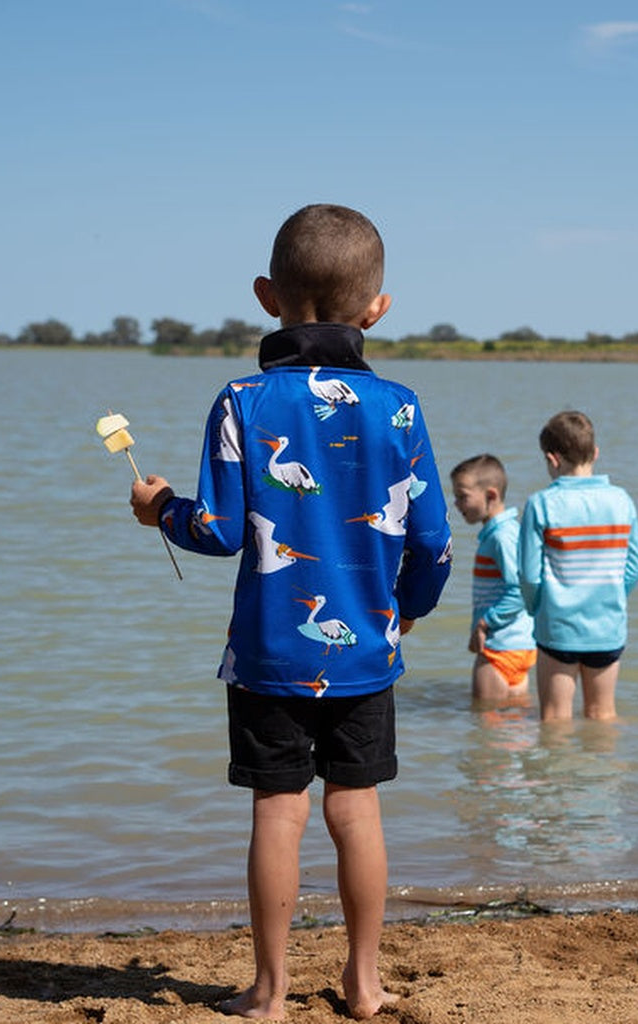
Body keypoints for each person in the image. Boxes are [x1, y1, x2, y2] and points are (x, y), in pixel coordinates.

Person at [130, 204, 452, 1020]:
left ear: (268, 296)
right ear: (377, 310)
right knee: (356, 806)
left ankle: (270, 991)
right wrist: (406, 609)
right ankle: (365, 982)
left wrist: (161, 506)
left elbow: (220, 530)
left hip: (269, 655)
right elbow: (434, 540)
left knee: (279, 810)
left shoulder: (242, 401)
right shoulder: (401, 408)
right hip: (365, 656)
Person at [518, 411, 638, 722]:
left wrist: (537, 609)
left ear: (552, 459)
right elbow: (635, 567)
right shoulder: (621, 500)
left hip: (558, 627)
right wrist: (611, 594)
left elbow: (530, 575)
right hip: (607, 627)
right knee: (602, 716)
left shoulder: (541, 503)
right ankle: (604, 771)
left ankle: (557, 772)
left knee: (554, 719)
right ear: (595, 453)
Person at [449, 454, 536, 703]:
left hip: (500, 646)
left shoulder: (501, 538)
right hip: (520, 645)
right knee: (514, 732)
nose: (456, 503)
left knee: (486, 727)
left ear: (491, 495)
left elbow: (520, 589)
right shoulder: (507, 532)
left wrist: (484, 624)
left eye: (463, 496)